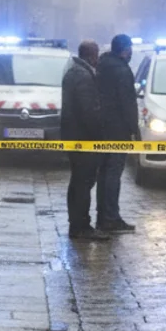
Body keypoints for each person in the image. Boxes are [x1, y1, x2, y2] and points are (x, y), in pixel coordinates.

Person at [61, 40, 109, 241]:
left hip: (74, 136)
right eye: (96, 55)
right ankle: (81, 225)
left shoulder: (73, 72)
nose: (98, 59)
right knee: (83, 182)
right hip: (84, 139)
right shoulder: (84, 76)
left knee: (77, 181)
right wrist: (99, 135)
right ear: (91, 56)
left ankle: (76, 223)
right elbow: (88, 112)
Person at [94, 34, 139, 234]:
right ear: (125, 49)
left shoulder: (102, 65)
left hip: (103, 128)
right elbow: (128, 102)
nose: (131, 52)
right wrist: (134, 129)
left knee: (104, 172)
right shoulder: (122, 70)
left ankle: (103, 216)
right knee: (113, 173)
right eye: (129, 49)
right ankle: (111, 218)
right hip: (118, 129)